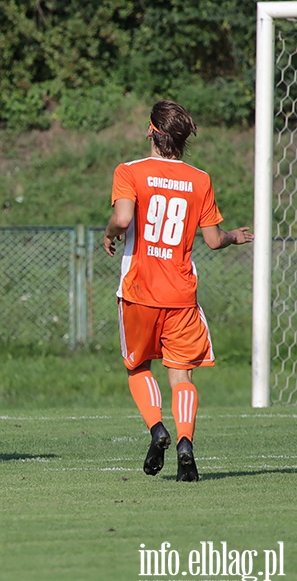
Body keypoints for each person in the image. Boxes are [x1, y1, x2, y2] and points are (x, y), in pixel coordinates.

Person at [103, 100, 254, 482]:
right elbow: (214, 239)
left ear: (151, 131)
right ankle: (186, 442)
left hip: (138, 290)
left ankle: (157, 429)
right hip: (181, 294)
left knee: (138, 367)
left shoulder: (130, 171)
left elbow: (122, 219)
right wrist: (235, 236)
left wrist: (109, 234)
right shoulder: (199, 179)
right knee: (181, 376)